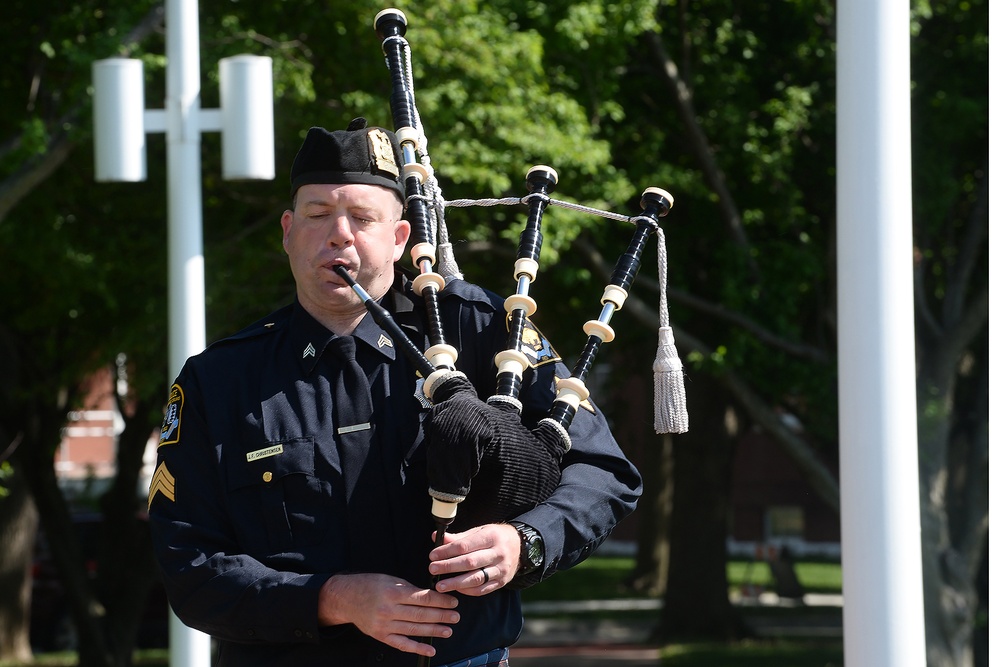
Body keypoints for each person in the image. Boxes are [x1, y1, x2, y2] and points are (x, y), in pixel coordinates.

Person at [147, 119, 642, 667]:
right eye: (317, 215)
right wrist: (331, 598)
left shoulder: (481, 332)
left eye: (362, 218)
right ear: (287, 231)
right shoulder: (220, 380)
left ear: (400, 237)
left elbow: (605, 472)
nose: (340, 234)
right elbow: (189, 563)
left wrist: (524, 542)